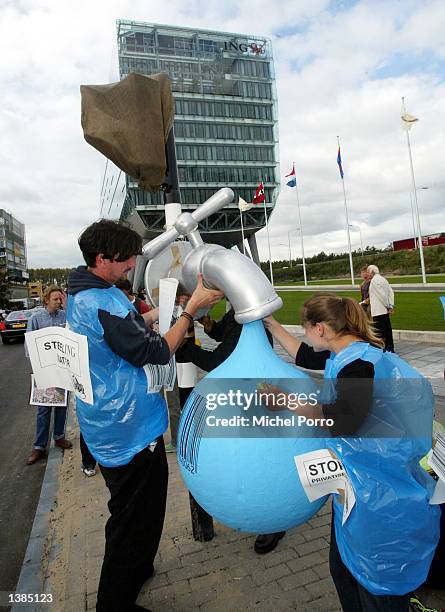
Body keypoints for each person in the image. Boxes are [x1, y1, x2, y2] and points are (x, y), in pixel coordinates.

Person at [67, 219, 222, 612]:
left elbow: (126, 329)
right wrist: (189, 311)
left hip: (118, 424)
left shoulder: (91, 291)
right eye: (126, 258)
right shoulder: (99, 301)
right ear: (102, 258)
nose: (133, 263)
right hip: (129, 431)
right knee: (131, 520)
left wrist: (157, 315)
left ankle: (136, 569)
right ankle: (114, 600)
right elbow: (153, 352)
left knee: (137, 513)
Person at [264, 293, 439, 612]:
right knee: (343, 570)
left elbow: (343, 420)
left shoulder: (358, 367)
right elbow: (304, 355)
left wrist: (286, 402)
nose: (304, 335)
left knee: (375, 587)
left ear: (320, 329)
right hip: (356, 487)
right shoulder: (345, 351)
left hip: (379, 496)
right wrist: (271, 324)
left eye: (305, 328)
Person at [176, 306, 286, 555]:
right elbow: (223, 334)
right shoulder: (237, 309)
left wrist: (184, 347)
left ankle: (273, 523)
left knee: (261, 460)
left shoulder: (250, 317)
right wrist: (210, 325)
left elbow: (216, 361)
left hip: (255, 395)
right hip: (241, 394)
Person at [26, 285, 72, 465]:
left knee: (62, 405)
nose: (59, 302)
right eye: (56, 299)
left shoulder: (64, 316)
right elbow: (29, 344)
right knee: (43, 409)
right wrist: (36, 368)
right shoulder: (36, 318)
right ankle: (39, 446)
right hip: (44, 371)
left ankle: (59, 437)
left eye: (60, 299)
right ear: (46, 300)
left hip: (62, 370)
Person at [367, 264, 395, 352]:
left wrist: (388, 306)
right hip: (385, 311)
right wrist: (390, 305)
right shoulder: (384, 279)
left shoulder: (374, 281)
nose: (368, 274)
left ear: (372, 272)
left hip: (378, 311)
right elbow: (391, 292)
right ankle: (390, 349)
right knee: (387, 331)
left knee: (379, 333)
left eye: (368, 272)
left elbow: (381, 295)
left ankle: (381, 350)